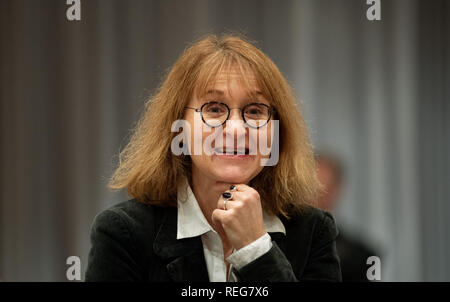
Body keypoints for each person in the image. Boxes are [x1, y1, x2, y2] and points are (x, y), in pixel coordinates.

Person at [85, 34, 342, 282]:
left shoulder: (313, 230)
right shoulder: (124, 233)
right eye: (215, 109)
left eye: (254, 111)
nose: (236, 130)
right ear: (179, 128)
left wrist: (257, 250)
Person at [315, 152, 378, 281]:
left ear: (336, 191)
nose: (316, 196)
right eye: (311, 188)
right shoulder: (281, 246)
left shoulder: (363, 257)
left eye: (323, 189)